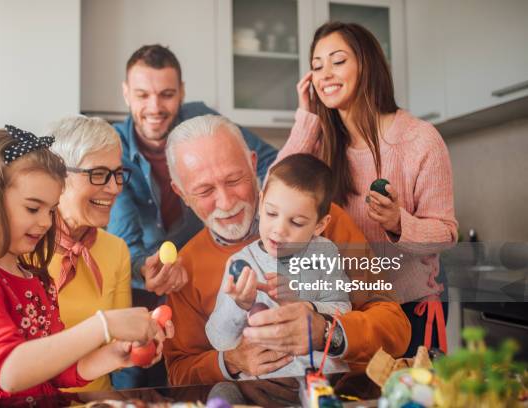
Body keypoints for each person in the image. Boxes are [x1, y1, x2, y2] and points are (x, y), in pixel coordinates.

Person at [0, 126, 170, 400]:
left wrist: (114, 355)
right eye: (32, 208)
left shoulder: (35, 278)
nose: (46, 222)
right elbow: (8, 371)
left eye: (50, 210)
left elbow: (55, 370)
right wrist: (103, 325)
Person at [162, 115, 410, 385]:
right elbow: (179, 372)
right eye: (204, 190)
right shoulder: (185, 267)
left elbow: (395, 328)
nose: (226, 200)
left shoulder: (323, 224)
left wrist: (327, 331)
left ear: (253, 164)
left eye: (234, 180)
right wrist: (231, 361)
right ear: (181, 193)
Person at [278, 22, 458, 356]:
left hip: (408, 310)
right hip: (346, 312)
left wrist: (398, 223)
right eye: (317, 66)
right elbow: (276, 196)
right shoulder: (324, 144)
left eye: (337, 61)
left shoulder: (419, 139)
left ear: (367, 64)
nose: (325, 73)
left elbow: (446, 233)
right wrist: (306, 118)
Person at [107, 44, 278, 295]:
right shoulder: (114, 149)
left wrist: (271, 217)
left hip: (210, 265)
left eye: (166, 94)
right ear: (126, 93)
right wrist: (145, 269)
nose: (155, 108)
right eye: (143, 95)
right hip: (150, 278)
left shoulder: (202, 120)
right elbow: (124, 240)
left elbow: (272, 162)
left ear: (182, 92)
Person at [205, 153, 351, 378]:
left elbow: (344, 311)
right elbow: (219, 339)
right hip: (263, 384)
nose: (279, 229)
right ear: (261, 203)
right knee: (223, 392)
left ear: (319, 225)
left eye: (296, 222)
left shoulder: (324, 252)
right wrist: (239, 305)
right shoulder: (240, 264)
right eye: (272, 213)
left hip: (322, 381)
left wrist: (303, 304)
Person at [44, 116, 144, 392]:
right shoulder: (21, 247)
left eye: (118, 174)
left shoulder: (116, 250)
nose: (114, 188)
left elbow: (120, 353)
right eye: (98, 174)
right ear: (58, 175)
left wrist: (141, 345)